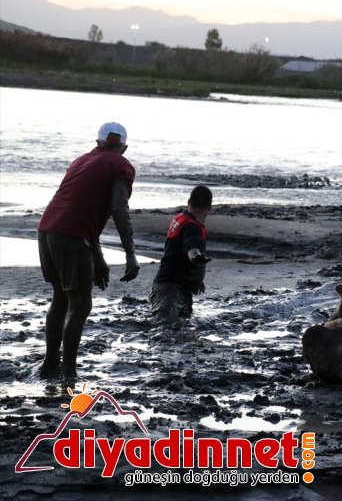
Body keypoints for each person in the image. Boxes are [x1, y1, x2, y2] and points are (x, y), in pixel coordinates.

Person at [37, 122, 140, 379]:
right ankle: (68, 374)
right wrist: (130, 252)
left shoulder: (81, 161)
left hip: (47, 230)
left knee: (60, 297)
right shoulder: (122, 166)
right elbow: (118, 208)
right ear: (124, 147)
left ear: (98, 143)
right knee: (81, 304)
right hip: (72, 236)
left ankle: (50, 365)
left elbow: (81, 210)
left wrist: (98, 258)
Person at [149, 185, 213, 324]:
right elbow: (191, 247)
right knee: (165, 324)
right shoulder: (192, 227)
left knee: (180, 322)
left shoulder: (180, 220)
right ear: (210, 207)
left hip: (171, 285)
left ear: (189, 202)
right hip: (171, 287)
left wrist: (197, 280)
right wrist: (195, 257)